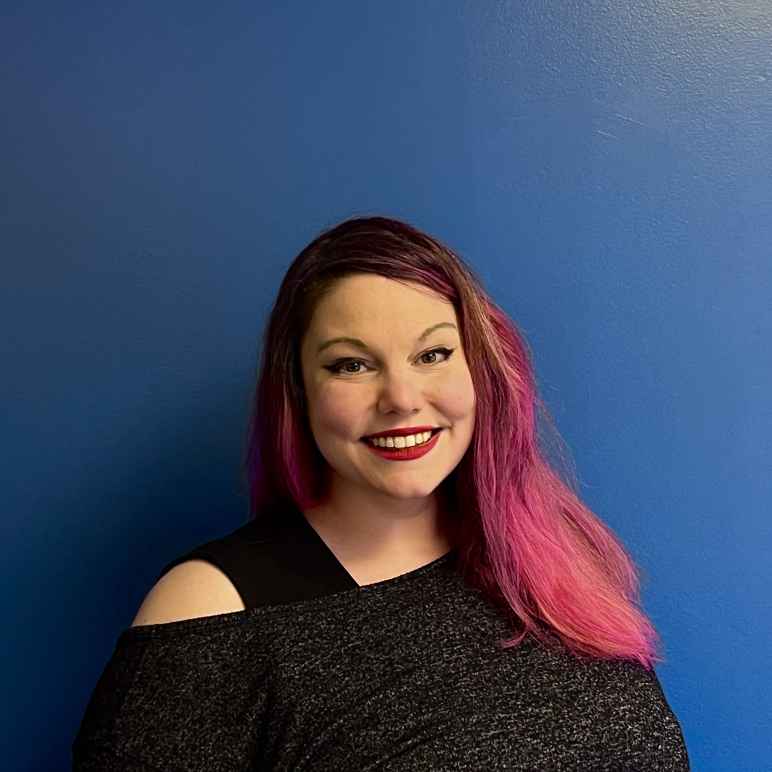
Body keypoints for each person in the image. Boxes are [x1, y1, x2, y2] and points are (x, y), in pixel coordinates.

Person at [72, 215, 690, 770]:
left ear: (481, 368)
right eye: (350, 364)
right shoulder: (212, 610)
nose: (399, 398)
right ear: (299, 391)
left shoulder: (555, 555)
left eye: (433, 353)